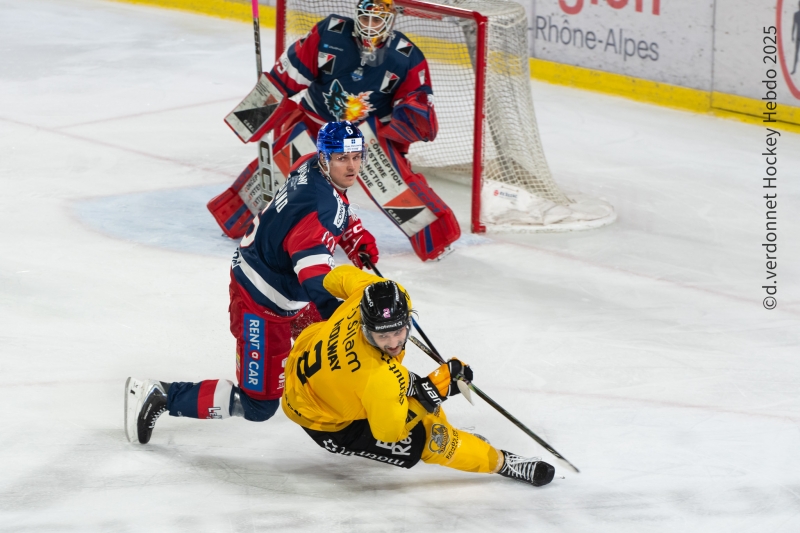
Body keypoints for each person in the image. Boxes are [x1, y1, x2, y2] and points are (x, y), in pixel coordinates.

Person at [124, 121, 380, 444]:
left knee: (329, 347)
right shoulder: (322, 206)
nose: (352, 166)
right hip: (261, 301)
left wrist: (354, 235)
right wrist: (337, 309)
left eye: (357, 157)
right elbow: (311, 265)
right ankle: (160, 395)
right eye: (343, 159)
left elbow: (328, 209)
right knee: (258, 405)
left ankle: (347, 407)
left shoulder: (311, 168)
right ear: (325, 158)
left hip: (278, 282)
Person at [212, 0, 460, 262]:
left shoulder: (405, 56)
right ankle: (238, 222)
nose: (369, 26)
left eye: (377, 20)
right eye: (365, 19)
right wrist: (255, 113)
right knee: (278, 172)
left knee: (394, 184)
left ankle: (437, 239)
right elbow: (285, 75)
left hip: (362, 138)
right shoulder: (330, 34)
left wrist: (410, 120)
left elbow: (417, 102)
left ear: (390, 21)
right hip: (315, 126)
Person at [281, 264, 556, 487]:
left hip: (309, 364)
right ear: (366, 328)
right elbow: (390, 433)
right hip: (323, 420)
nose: (393, 343)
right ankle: (502, 462)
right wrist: (432, 393)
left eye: (398, 331)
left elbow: (333, 279)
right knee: (435, 440)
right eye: (383, 335)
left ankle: (458, 434)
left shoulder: (370, 296)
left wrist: (429, 391)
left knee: (419, 390)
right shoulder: (379, 377)